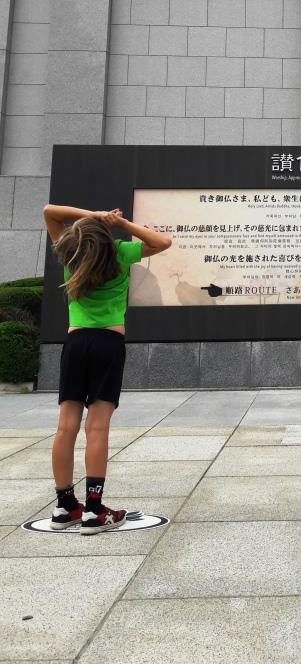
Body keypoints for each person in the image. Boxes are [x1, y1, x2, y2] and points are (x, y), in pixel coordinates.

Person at [43, 204, 171, 533]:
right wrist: (121, 222)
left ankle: (65, 506)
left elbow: (50, 211)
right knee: (97, 427)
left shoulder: (69, 250)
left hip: (74, 345)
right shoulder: (119, 251)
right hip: (108, 345)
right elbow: (163, 242)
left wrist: (94, 215)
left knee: (65, 426)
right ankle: (95, 510)